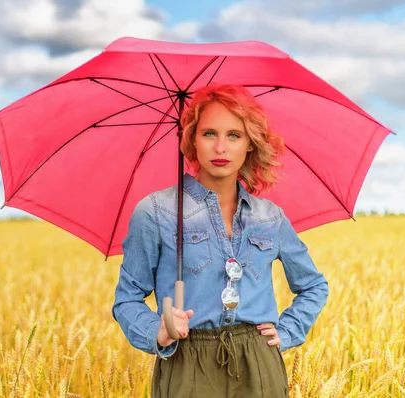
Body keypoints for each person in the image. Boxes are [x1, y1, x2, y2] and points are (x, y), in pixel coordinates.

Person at [111, 84, 329, 397]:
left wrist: (288, 330)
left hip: (258, 362)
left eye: (234, 135)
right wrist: (156, 331)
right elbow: (127, 298)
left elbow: (314, 286)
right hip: (187, 361)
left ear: (250, 144)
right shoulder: (156, 212)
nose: (221, 148)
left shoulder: (270, 217)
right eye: (209, 134)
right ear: (192, 141)